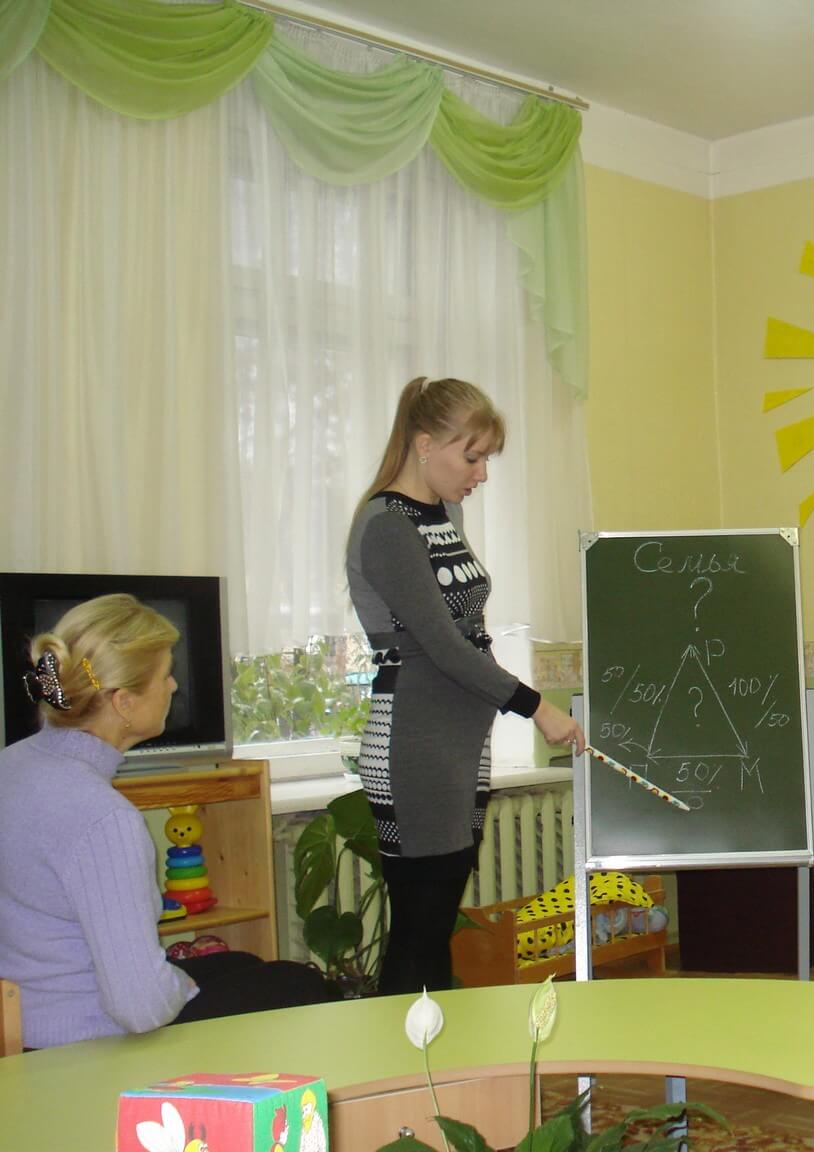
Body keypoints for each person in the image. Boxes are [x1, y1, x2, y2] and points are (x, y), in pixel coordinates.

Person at [0, 594, 335, 1049]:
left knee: (240, 965)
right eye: (164, 675)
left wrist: (179, 982)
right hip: (80, 1042)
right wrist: (182, 986)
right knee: (299, 983)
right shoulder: (103, 819)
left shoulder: (12, 765)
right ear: (123, 703)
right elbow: (140, 1009)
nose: (174, 686)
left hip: (21, 1022)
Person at [347, 376, 584, 996]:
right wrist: (536, 707)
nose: (480, 475)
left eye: (485, 460)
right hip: (414, 746)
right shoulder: (387, 526)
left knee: (434, 930)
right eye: (471, 457)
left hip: (458, 744)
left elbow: (470, 634)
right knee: (418, 934)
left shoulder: (443, 515)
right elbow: (442, 646)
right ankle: (401, 1058)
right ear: (425, 444)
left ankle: (434, 1056)